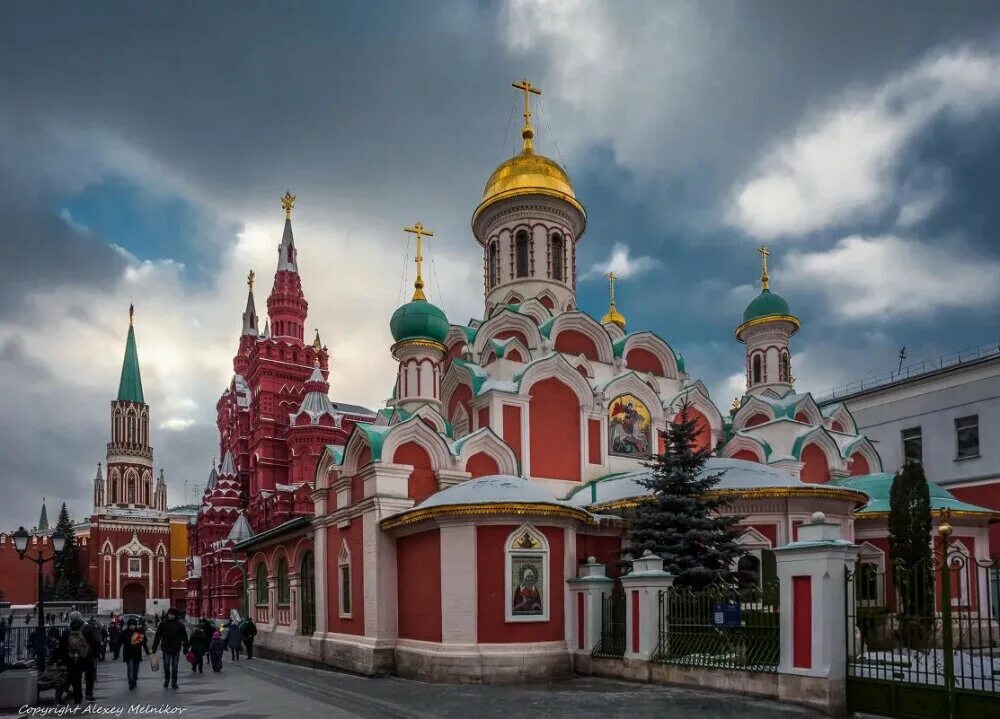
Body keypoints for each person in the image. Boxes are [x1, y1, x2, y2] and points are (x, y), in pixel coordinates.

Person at [57, 612, 92, 705]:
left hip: (72, 657)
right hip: (86, 656)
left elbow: (62, 645)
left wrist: (63, 658)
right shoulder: (87, 628)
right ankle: (89, 693)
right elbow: (95, 641)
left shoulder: (67, 630)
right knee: (89, 675)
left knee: (75, 678)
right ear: (80, 617)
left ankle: (78, 697)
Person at [151, 608, 188, 690]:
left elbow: (185, 638)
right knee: (166, 665)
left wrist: (186, 649)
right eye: (169, 614)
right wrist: (154, 648)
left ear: (175, 615)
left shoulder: (180, 625)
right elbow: (157, 636)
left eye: (172, 614)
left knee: (175, 666)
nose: (170, 616)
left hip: (176, 648)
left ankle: (174, 682)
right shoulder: (163, 624)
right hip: (166, 648)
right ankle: (167, 680)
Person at [120, 618, 150, 690]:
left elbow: (144, 641)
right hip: (128, 653)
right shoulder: (124, 632)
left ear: (135, 625)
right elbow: (119, 641)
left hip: (137, 653)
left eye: (133, 625)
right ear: (128, 625)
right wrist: (117, 652)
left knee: (136, 669)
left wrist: (141, 639)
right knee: (130, 668)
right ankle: (131, 682)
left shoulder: (139, 632)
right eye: (130, 625)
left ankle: (135, 679)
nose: (132, 626)